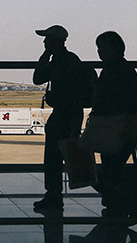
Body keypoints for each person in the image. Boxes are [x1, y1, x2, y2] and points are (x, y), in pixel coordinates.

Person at [69, 30, 137, 243]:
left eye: (102, 48)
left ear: (115, 48)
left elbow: (125, 102)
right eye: (98, 48)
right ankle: (116, 207)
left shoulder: (119, 70)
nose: (99, 52)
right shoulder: (117, 69)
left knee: (110, 171)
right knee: (111, 170)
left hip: (117, 127)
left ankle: (116, 207)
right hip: (114, 127)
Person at [32, 24, 94, 213]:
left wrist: (45, 56)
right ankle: (54, 195)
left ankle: (54, 196)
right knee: (70, 156)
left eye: (47, 39)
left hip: (64, 115)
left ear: (55, 41)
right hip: (70, 114)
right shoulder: (69, 59)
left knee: (56, 158)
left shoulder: (61, 61)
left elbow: (37, 77)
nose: (44, 42)